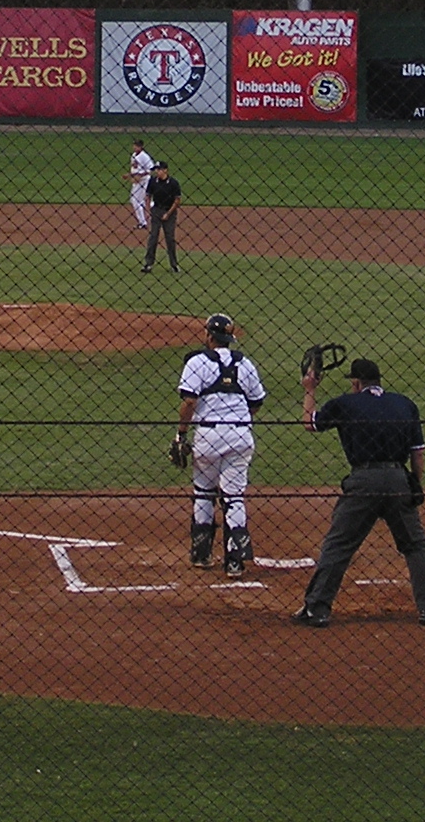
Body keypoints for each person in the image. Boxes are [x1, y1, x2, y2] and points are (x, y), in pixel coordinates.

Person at [292, 356, 425, 628]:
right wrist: (415, 483)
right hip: (398, 479)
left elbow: (309, 423)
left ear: (356, 382)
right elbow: (418, 453)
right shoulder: (404, 404)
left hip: (362, 482)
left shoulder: (345, 403)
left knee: (339, 545)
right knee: (416, 545)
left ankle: (316, 609)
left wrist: (310, 389)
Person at [173, 313, 267, 576]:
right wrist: (237, 419)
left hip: (208, 437)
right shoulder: (245, 363)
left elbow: (189, 401)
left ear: (208, 336)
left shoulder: (196, 362)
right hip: (240, 436)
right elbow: (257, 402)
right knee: (234, 496)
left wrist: (181, 434)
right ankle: (235, 562)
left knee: (204, 491)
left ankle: (201, 555)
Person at [141, 160, 181, 273]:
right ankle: (148, 264)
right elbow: (148, 196)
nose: (157, 172)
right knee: (153, 237)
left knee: (170, 239)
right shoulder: (153, 181)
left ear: (165, 170)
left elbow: (177, 200)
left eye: (159, 170)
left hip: (170, 211)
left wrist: (168, 214)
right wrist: (148, 211)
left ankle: (174, 265)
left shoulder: (173, 183)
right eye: (156, 170)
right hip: (157, 210)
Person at [124, 139, 155, 231]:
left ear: (141, 147)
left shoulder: (144, 156)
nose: (134, 147)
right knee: (136, 200)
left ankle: (143, 222)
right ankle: (146, 218)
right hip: (137, 181)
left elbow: (151, 169)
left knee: (136, 200)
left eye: (136, 146)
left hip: (144, 181)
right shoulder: (134, 155)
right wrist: (131, 176)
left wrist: (139, 175)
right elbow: (134, 168)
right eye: (134, 145)